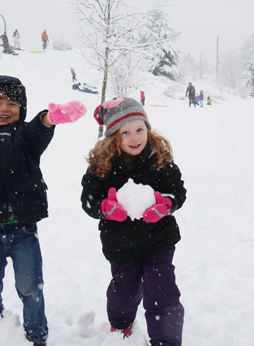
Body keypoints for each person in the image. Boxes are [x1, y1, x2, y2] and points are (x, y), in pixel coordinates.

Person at [0, 75, 87, 346]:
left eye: (12, 103)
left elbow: (40, 127)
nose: (4, 108)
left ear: (21, 109)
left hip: (23, 230)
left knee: (31, 286)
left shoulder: (26, 138)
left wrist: (52, 116)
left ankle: (37, 335)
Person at [81, 97, 186, 346]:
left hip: (158, 240)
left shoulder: (159, 159)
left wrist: (166, 205)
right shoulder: (102, 167)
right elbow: (88, 200)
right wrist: (105, 208)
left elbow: (177, 191)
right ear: (113, 136)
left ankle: (166, 341)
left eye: (139, 129)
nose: (134, 137)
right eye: (125, 132)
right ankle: (120, 324)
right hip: (120, 244)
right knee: (123, 291)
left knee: (162, 289)